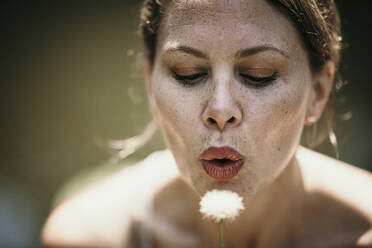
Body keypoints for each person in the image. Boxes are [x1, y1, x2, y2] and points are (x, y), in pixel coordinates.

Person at [42, 0, 372, 247]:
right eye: (189, 74)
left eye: (259, 75)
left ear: (318, 91)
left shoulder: (361, 229)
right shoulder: (88, 236)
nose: (220, 110)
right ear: (149, 82)